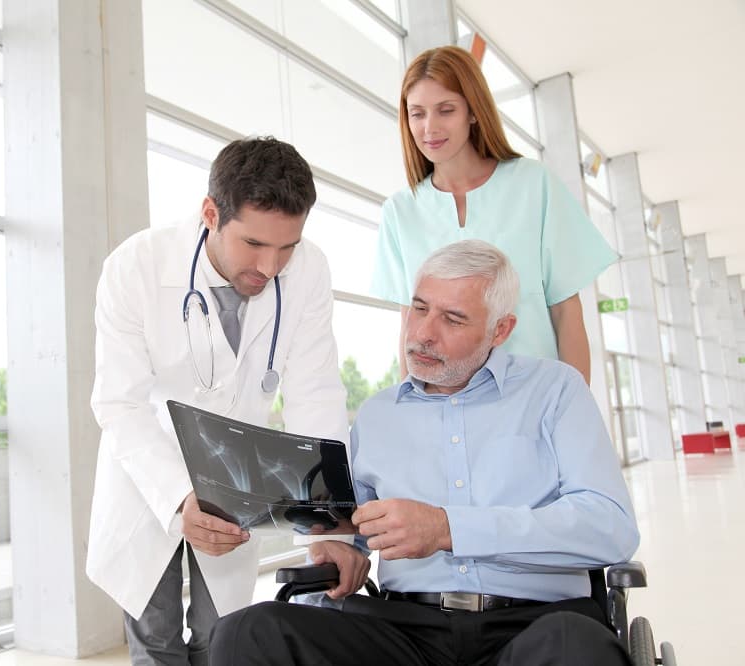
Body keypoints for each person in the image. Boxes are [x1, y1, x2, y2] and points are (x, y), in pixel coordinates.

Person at [210, 240, 640, 666]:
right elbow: (352, 532)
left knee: (575, 646)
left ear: (501, 330)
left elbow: (610, 528)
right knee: (245, 632)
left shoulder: (556, 392)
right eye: (419, 308)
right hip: (404, 629)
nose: (423, 334)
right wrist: (343, 550)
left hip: (536, 623)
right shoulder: (378, 415)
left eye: (452, 318)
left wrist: (447, 528)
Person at [86, 137, 349, 666]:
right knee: (154, 642)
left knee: (222, 638)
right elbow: (120, 404)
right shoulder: (135, 266)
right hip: (149, 479)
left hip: (238, 482)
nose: (271, 266)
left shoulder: (310, 270)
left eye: (287, 246)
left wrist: (327, 521)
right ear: (211, 213)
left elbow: (314, 393)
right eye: (254, 244)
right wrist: (178, 498)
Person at [372, 45, 616, 384]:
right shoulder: (400, 212)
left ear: (473, 112)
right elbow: (408, 329)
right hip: (443, 410)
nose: (429, 128)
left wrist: (576, 413)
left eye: (446, 110)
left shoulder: (534, 185)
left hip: (533, 402)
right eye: (417, 113)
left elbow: (566, 314)